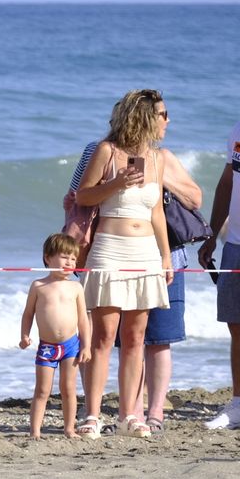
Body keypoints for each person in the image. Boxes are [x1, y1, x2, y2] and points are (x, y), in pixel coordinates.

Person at [67, 97, 202, 435]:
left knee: (136, 337)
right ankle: (93, 416)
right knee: (103, 335)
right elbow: (82, 196)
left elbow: (156, 213)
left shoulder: (157, 159)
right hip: (110, 249)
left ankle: (131, 415)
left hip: (146, 252)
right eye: (161, 115)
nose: (165, 122)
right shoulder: (106, 151)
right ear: (140, 117)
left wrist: (165, 257)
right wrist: (116, 184)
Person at [19, 234, 91, 438]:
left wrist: (85, 346)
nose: (69, 262)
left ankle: (69, 428)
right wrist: (25, 335)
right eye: (64, 257)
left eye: (73, 259)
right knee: (42, 390)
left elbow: (83, 320)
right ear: (48, 258)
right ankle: (35, 431)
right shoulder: (38, 286)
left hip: (71, 345)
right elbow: (28, 314)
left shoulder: (76, 287)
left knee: (69, 389)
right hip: (47, 346)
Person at [197, 115, 240, 430]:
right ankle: (238, 404)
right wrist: (212, 232)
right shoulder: (237, 131)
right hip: (235, 243)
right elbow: (227, 182)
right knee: (236, 324)